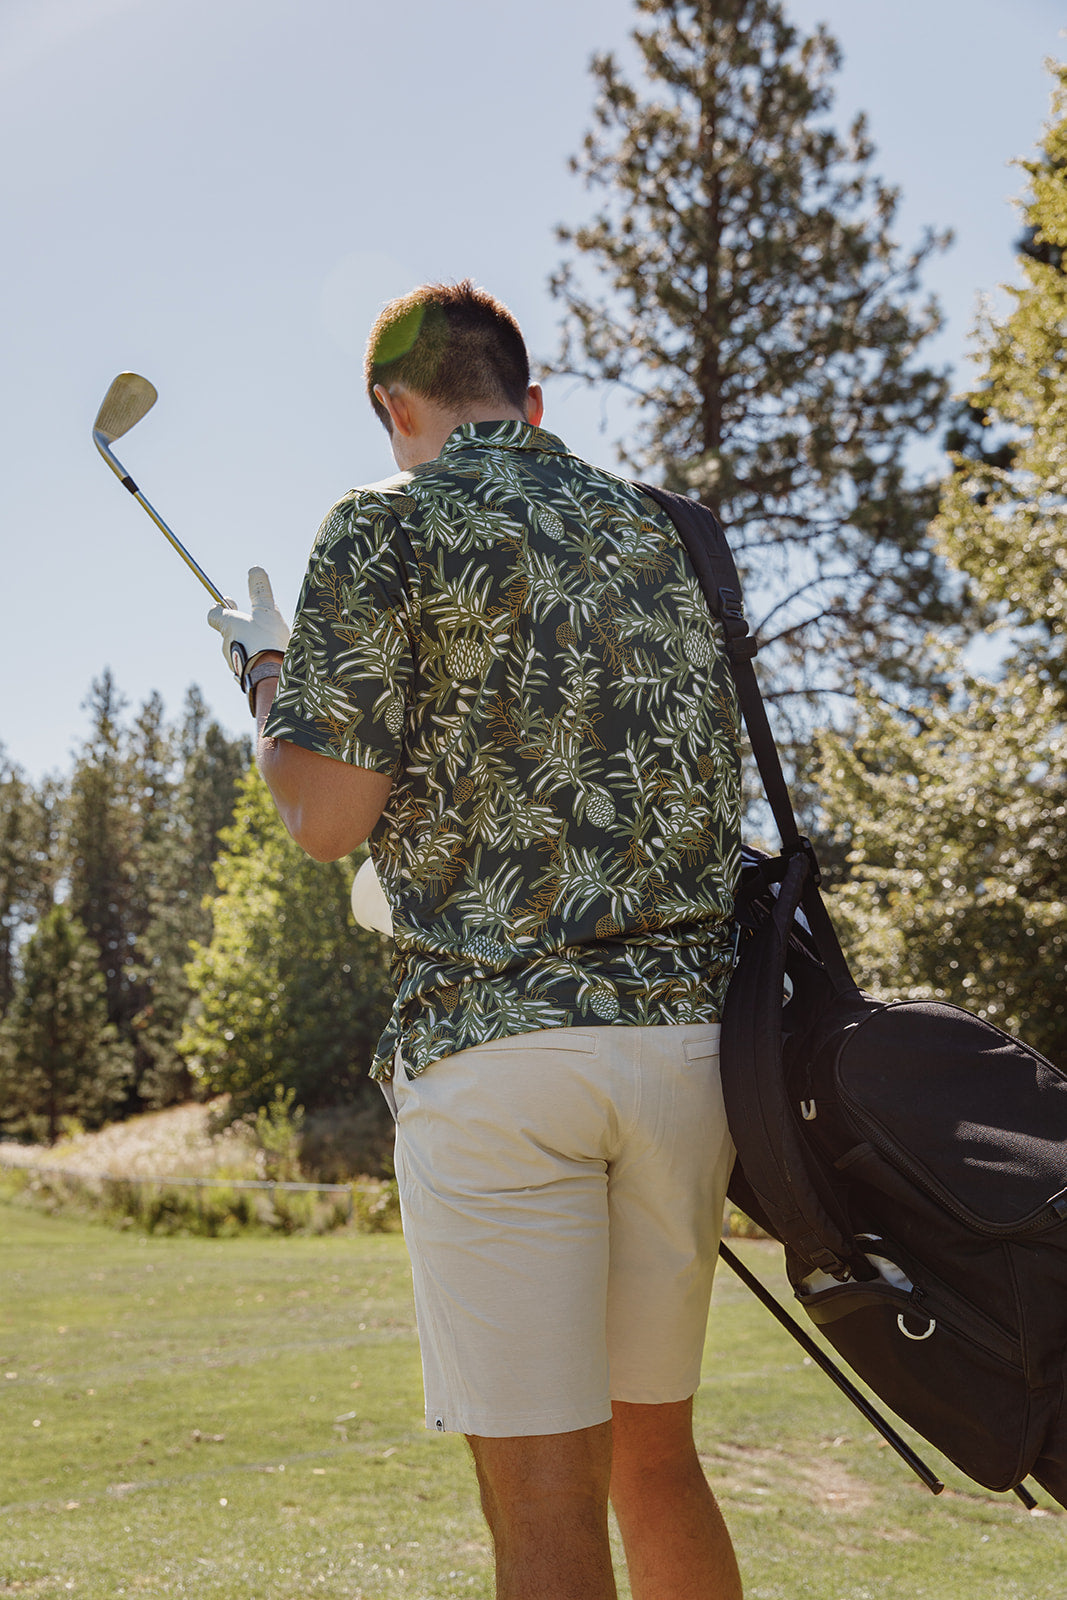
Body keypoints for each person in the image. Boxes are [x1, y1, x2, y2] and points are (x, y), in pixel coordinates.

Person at [208, 280, 744, 1600]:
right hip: (687, 1055)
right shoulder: (658, 526)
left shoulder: (386, 524)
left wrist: (269, 682)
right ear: (530, 402)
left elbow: (326, 819)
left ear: (395, 409)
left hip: (502, 1055)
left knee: (544, 1507)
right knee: (657, 1461)